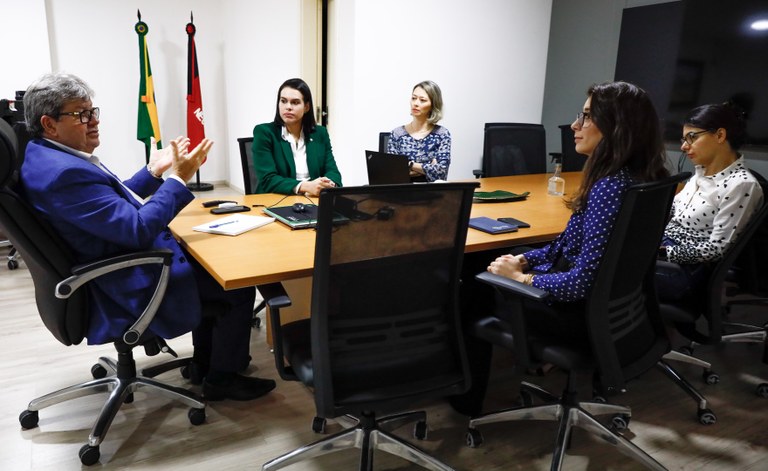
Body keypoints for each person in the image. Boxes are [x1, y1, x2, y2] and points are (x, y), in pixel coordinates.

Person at [19, 73, 275, 401]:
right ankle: (223, 377)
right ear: (49, 123)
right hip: (123, 284)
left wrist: (154, 172)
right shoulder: (65, 173)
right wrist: (179, 178)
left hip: (107, 263)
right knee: (234, 284)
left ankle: (203, 365)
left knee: (209, 267)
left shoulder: (45, 157)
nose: (93, 121)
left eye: (93, 111)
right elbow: (137, 228)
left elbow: (106, 204)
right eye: (81, 115)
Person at [452, 81, 669, 416]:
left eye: (585, 117)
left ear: (615, 126)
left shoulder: (609, 188)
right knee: (487, 263)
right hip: (618, 318)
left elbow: (581, 281)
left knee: (469, 285)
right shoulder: (640, 179)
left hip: (578, 318)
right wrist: (524, 258)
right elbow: (569, 245)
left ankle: (465, 400)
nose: (574, 126)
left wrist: (522, 281)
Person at [655, 102, 763, 302]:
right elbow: (673, 214)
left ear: (720, 136)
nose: (683, 146)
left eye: (692, 137)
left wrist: (660, 253)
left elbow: (715, 249)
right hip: (663, 254)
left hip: (686, 270)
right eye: (683, 139)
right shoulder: (700, 174)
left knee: (611, 274)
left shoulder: (741, 185)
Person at [252, 78, 342, 196]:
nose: (288, 107)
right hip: (277, 200)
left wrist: (327, 184)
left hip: (313, 200)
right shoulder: (264, 132)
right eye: (283, 101)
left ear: (307, 107)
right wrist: (306, 186)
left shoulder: (320, 133)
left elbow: (333, 172)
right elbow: (268, 179)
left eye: (295, 102)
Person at [386, 80, 451, 182]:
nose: (415, 103)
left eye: (422, 100)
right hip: (402, 194)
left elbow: (440, 173)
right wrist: (428, 168)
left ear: (433, 105)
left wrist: (409, 164)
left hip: (432, 194)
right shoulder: (397, 134)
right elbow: (392, 174)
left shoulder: (442, 134)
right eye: (413, 98)